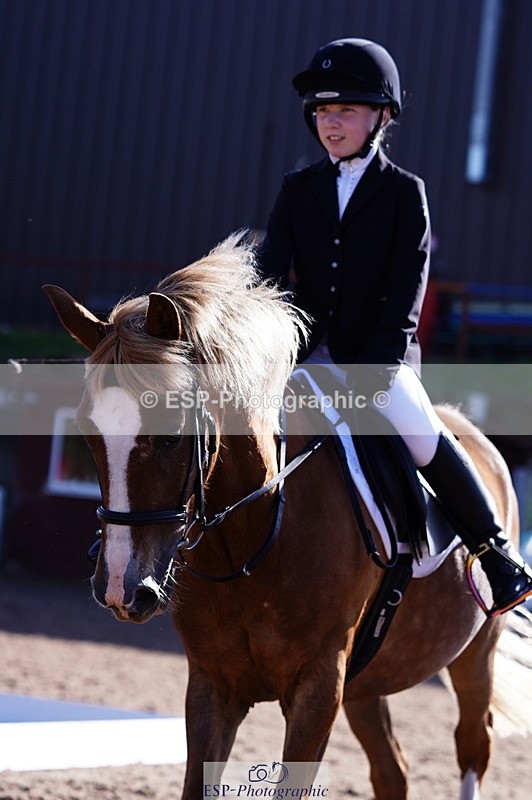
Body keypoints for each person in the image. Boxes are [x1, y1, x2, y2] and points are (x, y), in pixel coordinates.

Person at [256, 37, 532, 617]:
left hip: (377, 356)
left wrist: (377, 363)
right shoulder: (296, 188)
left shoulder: (406, 193)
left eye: (345, 111)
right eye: (322, 112)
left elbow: (409, 286)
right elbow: (268, 271)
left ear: (382, 115)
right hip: (301, 352)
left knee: (420, 430)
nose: (330, 123)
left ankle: (495, 551)